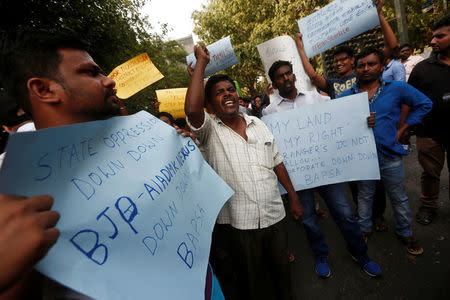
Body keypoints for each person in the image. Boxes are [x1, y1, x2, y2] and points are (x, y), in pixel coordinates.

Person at [0, 30, 205, 299]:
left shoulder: (142, 149)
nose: (108, 81)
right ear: (44, 89)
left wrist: (176, 159)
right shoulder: (13, 200)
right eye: (91, 72)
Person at [185, 45, 303, 300]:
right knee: (253, 283)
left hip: (274, 216)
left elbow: (277, 161)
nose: (227, 95)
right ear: (209, 104)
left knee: (283, 275)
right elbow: (192, 111)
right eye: (219, 93)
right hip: (239, 225)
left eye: (230, 90)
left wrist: (293, 197)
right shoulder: (209, 131)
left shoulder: (258, 123)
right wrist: (201, 64)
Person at [263, 60, 382, 278]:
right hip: (299, 176)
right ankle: (320, 254)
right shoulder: (269, 112)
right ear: (274, 82)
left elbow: (341, 121)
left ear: (294, 76)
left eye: (289, 73)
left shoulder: (315, 98)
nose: (286, 78)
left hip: (327, 170)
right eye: (280, 76)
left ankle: (361, 253)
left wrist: (363, 120)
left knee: (345, 213)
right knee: (308, 219)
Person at [340, 47, 432, 255]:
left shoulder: (397, 88)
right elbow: (336, 124)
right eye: (361, 65)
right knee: (364, 196)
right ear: (356, 69)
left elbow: (425, 104)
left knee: (398, 197)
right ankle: (363, 229)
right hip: (363, 159)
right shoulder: (346, 97)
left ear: (382, 66)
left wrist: (405, 127)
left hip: (390, 155)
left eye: (371, 64)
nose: (365, 69)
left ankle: (405, 232)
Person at [296, 0, 399, 99]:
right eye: (336, 61)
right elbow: (313, 75)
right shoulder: (331, 84)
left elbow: (392, 46)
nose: (339, 63)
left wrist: (379, 14)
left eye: (343, 59)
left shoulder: (363, 74)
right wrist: (300, 49)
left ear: (352, 60)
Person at [408, 14, 450, 225]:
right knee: (431, 173)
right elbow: (408, 102)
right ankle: (428, 205)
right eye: (433, 36)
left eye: (440, 36)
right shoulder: (422, 69)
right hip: (429, 134)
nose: (433, 41)